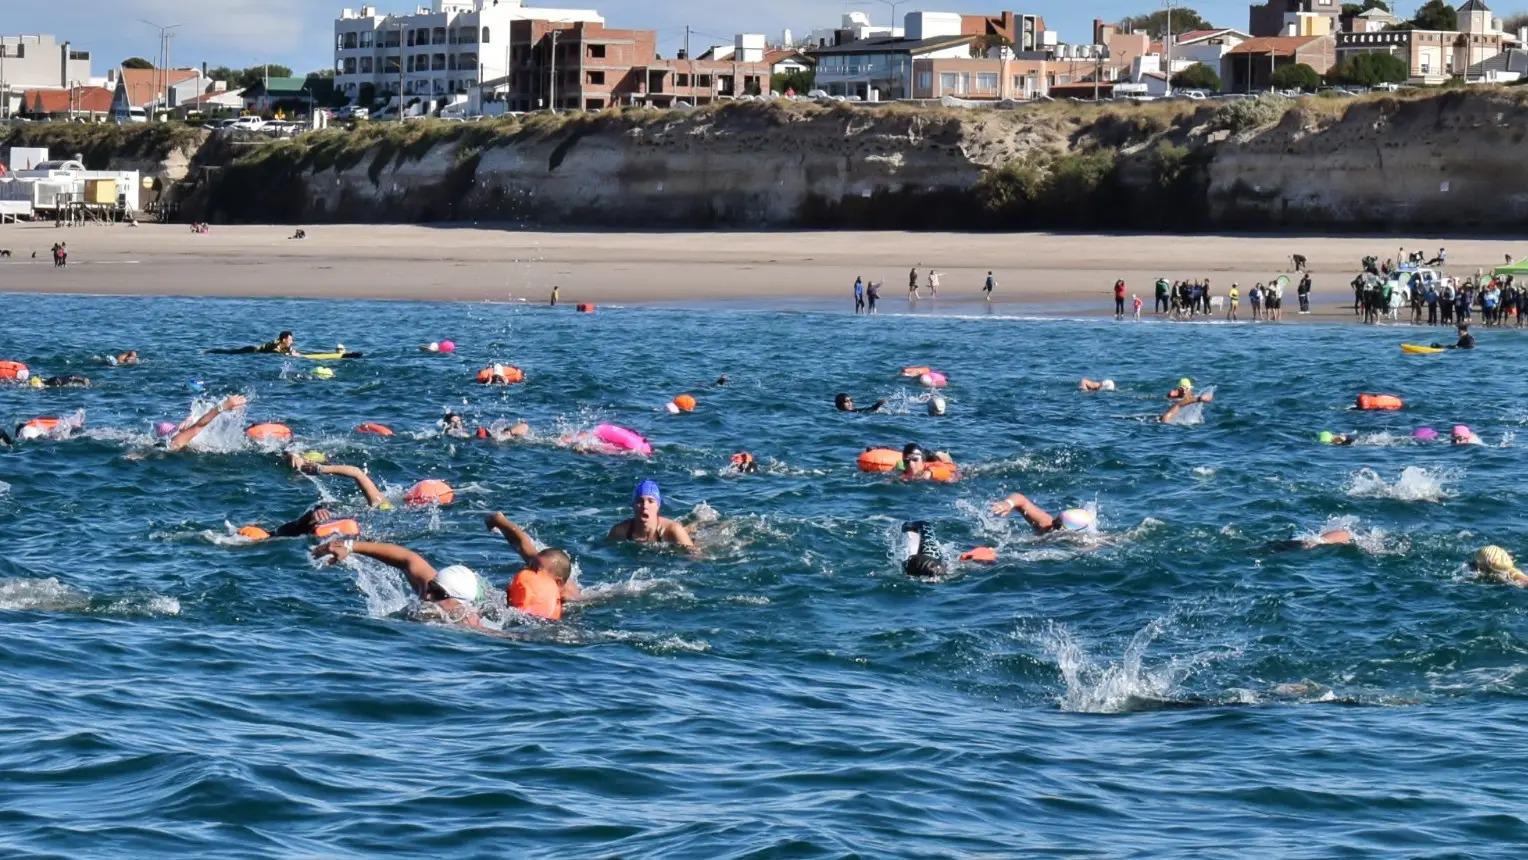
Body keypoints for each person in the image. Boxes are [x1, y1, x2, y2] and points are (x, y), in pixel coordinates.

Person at [312, 539, 489, 629]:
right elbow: (407, 558)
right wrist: (349, 546)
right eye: (431, 587)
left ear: (459, 602)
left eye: (436, 592)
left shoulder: (467, 622)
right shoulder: (432, 589)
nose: (427, 596)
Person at [486, 511, 579, 617]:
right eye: (530, 567)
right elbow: (521, 543)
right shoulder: (538, 563)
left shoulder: (569, 599)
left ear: (558, 582)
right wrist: (500, 521)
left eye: (535, 569)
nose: (527, 571)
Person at [607, 479, 695, 549]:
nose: (645, 506)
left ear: (658, 506)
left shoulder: (673, 531)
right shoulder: (619, 531)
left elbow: (696, 558)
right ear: (633, 505)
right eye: (640, 501)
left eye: (651, 501)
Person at [289, 453, 393, 509]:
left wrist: (320, 468)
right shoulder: (381, 503)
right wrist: (319, 468)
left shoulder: (382, 504)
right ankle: (295, 455)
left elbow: (357, 473)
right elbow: (357, 473)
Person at [157, 394, 247, 452]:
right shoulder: (176, 443)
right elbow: (198, 426)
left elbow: (197, 426)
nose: (186, 430)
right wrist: (223, 406)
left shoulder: (178, 443)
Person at [988, 492, 1092, 535]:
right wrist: (1008, 503)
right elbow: (1020, 499)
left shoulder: (1083, 543)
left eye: (1058, 526)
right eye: (1056, 522)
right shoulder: (1046, 523)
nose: (1053, 527)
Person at [207, 331, 295, 355]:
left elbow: (288, 351)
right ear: (284, 340)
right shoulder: (276, 346)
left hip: (254, 350)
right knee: (230, 352)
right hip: (250, 350)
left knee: (231, 351)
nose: (292, 341)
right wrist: (289, 354)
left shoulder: (281, 344)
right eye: (290, 339)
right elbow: (277, 352)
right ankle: (211, 351)